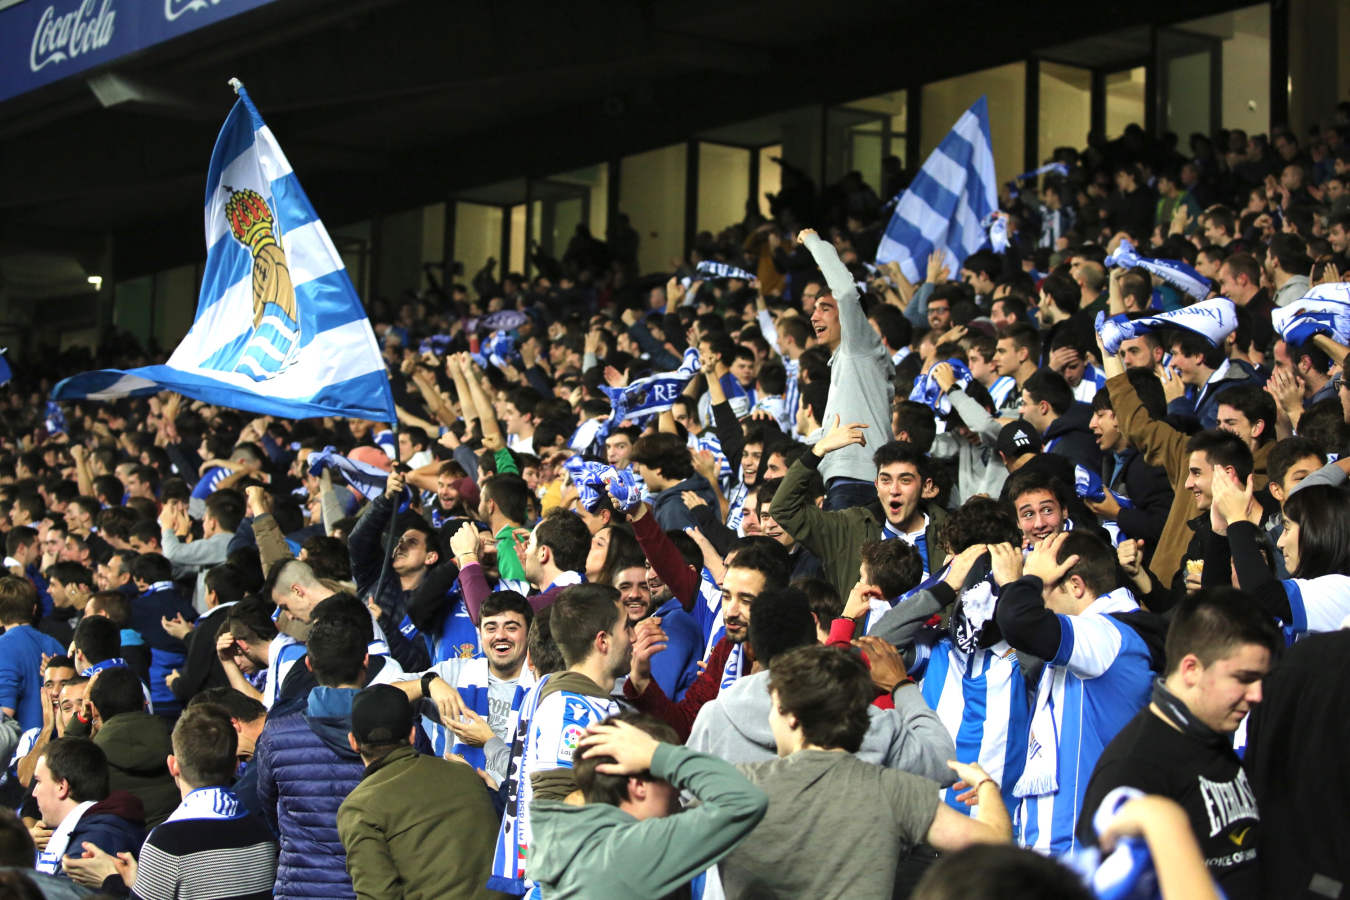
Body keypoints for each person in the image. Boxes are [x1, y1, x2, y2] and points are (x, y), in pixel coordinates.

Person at [716, 644, 1011, 900]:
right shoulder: (896, 791)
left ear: (792, 717)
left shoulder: (737, 788)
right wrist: (985, 784)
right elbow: (995, 843)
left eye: (774, 708)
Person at [1076, 588, 1279, 898]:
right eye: (1243, 678)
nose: (1256, 695)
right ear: (1191, 669)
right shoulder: (1132, 767)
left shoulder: (1209, 736)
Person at [990, 532, 1163, 856]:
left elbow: (1018, 620)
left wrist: (1024, 581)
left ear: (1076, 586)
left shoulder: (1107, 637)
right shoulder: (1103, 638)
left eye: (1043, 588)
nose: (1039, 601)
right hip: (1060, 845)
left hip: (1076, 850)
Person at [687, 585, 954, 781]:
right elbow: (943, 763)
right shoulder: (854, 718)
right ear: (813, 635)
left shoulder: (714, 717)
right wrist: (901, 686)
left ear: (751, 650)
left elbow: (689, 797)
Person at [529, 712, 769, 899]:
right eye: (669, 776)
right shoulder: (631, 851)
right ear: (639, 785)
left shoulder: (568, 843)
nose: (678, 791)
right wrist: (659, 755)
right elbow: (744, 801)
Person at [488, 584, 626, 897]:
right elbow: (557, 812)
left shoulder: (567, 699)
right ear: (602, 641)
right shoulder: (569, 707)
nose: (632, 637)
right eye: (626, 627)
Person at [63, 703, 278, 899]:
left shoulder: (167, 844)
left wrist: (109, 880)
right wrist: (137, 880)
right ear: (234, 765)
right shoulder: (265, 835)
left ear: (173, 765)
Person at [254, 599, 375, 900]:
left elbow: (268, 806)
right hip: (374, 886)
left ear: (308, 664)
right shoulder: (397, 728)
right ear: (366, 660)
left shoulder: (277, 733)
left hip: (300, 888)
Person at [337, 684, 503, 900]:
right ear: (413, 735)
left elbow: (377, 895)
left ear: (353, 742)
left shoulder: (358, 809)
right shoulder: (465, 774)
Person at [771, 427, 948, 602]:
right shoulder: (848, 528)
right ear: (877, 486)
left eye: (905, 480)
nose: (894, 490)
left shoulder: (950, 533)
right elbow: (784, 509)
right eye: (886, 480)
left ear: (926, 486)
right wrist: (818, 451)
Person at [797, 228, 894, 511]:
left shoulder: (858, 346)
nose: (814, 316)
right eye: (814, 309)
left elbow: (847, 291)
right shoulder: (847, 362)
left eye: (825, 308)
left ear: (849, 317)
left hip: (857, 483)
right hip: (846, 481)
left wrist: (814, 242)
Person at [394, 591, 536, 780]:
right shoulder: (456, 672)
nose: (500, 636)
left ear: (529, 633)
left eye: (511, 628)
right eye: (491, 628)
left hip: (513, 805)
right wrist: (428, 684)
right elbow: (381, 697)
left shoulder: (542, 686)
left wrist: (488, 741)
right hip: (460, 799)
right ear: (480, 633)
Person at [30, 737, 143, 880]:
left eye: (38, 781)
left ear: (61, 787)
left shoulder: (93, 843)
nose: (34, 793)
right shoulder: (90, 830)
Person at [87, 666, 178, 828]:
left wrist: (80, 720)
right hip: (176, 838)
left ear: (93, 710)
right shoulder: (180, 744)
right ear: (145, 703)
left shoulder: (91, 761)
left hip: (121, 847)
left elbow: (64, 768)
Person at [0, 577, 66, 732]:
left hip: (21, 750)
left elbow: (5, 711)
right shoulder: (55, 644)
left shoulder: (2, 646)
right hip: (56, 745)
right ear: (34, 609)